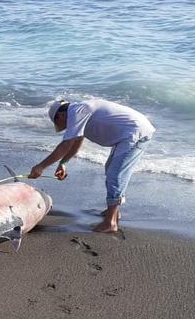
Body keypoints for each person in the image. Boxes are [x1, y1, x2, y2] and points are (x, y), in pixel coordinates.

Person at [29, 97, 155, 233]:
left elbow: (65, 144)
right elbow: (76, 143)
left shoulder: (78, 112)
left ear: (60, 115)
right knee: (111, 169)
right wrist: (63, 163)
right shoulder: (79, 113)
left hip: (136, 132)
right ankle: (113, 211)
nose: (64, 127)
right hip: (130, 133)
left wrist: (41, 166)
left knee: (115, 174)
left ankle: (111, 222)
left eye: (59, 123)